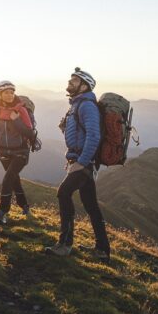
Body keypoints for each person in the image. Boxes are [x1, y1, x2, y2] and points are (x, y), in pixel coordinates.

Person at [45, 67, 111, 259]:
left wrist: (81, 162)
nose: (70, 83)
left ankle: (64, 244)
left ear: (84, 86)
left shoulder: (87, 106)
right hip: (83, 159)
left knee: (63, 193)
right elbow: (82, 133)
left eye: (74, 81)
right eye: (71, 79)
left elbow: (94, 136)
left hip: (85, 161)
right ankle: (102, 250)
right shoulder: (77, 104)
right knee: (90, 205)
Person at [0, 80, 37, 224]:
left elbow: (30, 133)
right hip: (3, 152)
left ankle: (2, 212)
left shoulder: (21, 110)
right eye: (6, 92)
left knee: (8, 179)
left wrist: (16, 121)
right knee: (14, 180)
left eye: (12, 92)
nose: (9, 95)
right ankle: (25, 206)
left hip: (21, 152)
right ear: (0, 94)